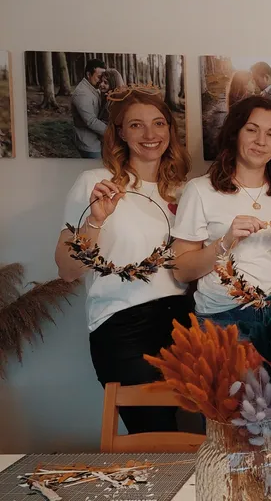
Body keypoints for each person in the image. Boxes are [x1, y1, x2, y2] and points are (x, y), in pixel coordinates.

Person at [54, 89, 192, 434]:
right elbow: (67, 269)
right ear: (120, 133)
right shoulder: (95, 183)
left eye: (159, 124)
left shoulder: (184, 190)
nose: (150, 135)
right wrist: (96, 220)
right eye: (137, 125)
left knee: (191, 435)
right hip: (124, 327)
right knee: (154, 434)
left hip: (184, 323)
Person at [171, 96, 271, 329]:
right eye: (252, 130)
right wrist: (225, 242)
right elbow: (181, 272)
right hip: (224, 319)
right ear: (235, 133)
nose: (261, 141)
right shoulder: (200, 190)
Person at [71, 59, 107, 158]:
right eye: (99, 77)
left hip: (97, 140)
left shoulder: (93, 88)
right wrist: (113, 133)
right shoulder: (82, 93)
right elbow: (90, 121)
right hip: (89, 144)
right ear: (88, 74)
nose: (101, 81)